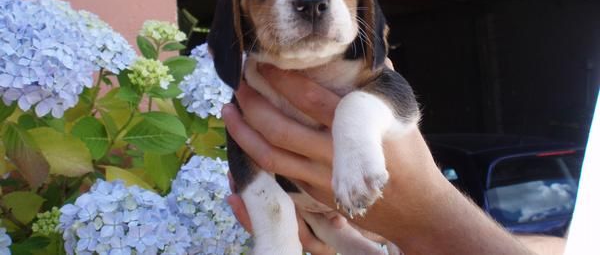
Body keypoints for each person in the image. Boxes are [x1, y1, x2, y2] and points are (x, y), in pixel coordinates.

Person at [222, 64, 567, 255]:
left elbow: (399, 103)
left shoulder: (359, 63)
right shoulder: (249, 77)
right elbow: (245, 154)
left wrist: (425, 212)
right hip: (307, 211)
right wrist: (278, 239)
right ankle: (339, 236)